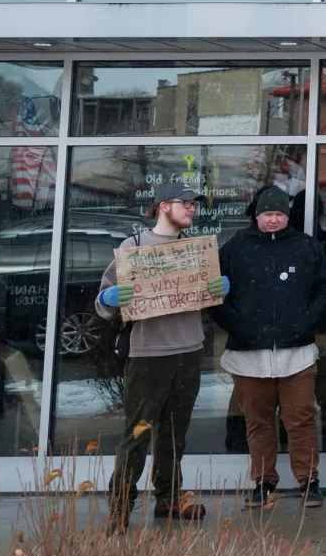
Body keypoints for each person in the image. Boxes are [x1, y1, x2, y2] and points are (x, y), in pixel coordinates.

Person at [95, 182, 229, 530]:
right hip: (147, 354)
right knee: (137, 432)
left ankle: (169, 500)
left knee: (174, 434)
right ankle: (120, 506)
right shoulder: (134, 247)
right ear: (163, 207)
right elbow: (102, 303)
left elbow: (205, 295)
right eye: (185, 203)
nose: (191, 208)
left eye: (193, 204)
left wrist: (218, 291)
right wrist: (111, 298)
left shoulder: (195, 250)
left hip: (188, 351)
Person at [215, 184, 326, 508]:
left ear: (287, 216)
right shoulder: (234, 249)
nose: (273, 220)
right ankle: (264, 483)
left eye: (279, 214)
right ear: (257, 216)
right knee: (258, 422)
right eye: (267, 214)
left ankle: (309, 482)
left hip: (296, 353)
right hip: (247, 354)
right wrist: (235, 323)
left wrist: (307, 321)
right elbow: (212, 293)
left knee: (300, 418)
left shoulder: (306, 248)